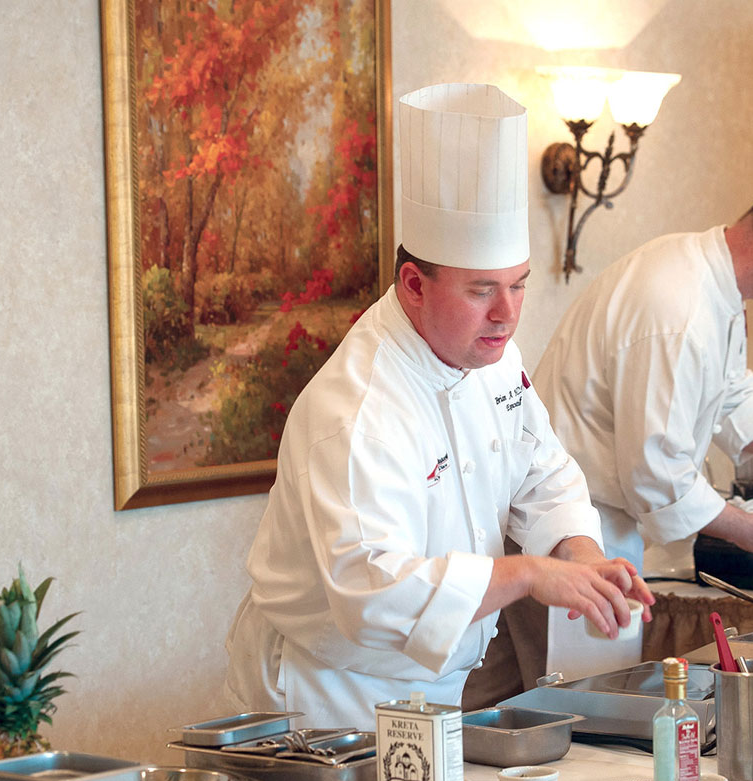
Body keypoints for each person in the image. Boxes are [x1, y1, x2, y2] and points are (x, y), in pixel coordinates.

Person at [220, 83, 654, 729]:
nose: (507, 314)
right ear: (415, 286)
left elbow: (541, 468)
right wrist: (528, 574)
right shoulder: (359, 408)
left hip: (439, 682)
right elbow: (373, 593)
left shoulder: (490, 351)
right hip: (330, 694)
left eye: (517, 287)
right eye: (482, 291)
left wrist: (578, 552)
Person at [534, 168, 753, 568]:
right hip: (564, 534)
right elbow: (658, 475)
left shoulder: (712, 284)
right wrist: (749, 529)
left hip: (603, 526)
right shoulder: (680, 310)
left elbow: (732, 400)